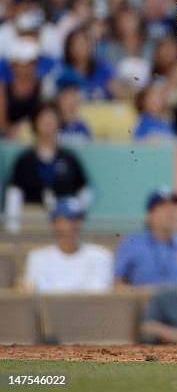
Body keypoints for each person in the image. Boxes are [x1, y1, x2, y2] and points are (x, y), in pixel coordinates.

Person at [4, 102, 91, 233]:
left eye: (52, 118)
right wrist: (13, 228)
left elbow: (84, 191)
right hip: (31, 221)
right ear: (35, 123)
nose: (48, 123)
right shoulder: (24, 160)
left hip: (64, 223)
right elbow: (14, 194)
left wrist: (75, 216)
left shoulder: (69, 158)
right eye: (43, 118)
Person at [23, 197, 113, 293]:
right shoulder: (37, 258)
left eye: (78, 219)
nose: (75, 224)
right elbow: (36, 296)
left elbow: (98, 294)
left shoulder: (102, 256)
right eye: (69, 219)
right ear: (54, 223)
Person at [114, 188, 177, 287]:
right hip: (142, 301)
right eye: (163, 206)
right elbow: (117, 281)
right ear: (149, 215)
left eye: (174, 206)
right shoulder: (131, 243)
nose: (170, 211)